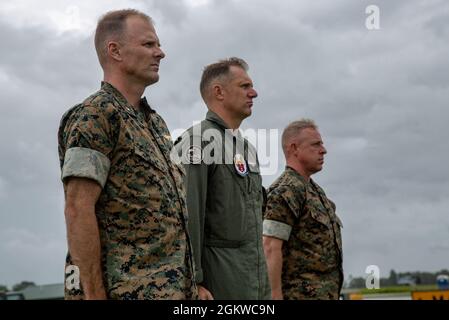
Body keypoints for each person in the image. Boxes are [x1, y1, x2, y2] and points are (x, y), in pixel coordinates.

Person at [58, 9, 197, 300]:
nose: (161, 53)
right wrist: (93, 294)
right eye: (149, 44)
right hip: (127, 289)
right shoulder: (95, 116)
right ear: (115, 51)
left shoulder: (154, 124)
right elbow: (77, 209)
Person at [174, 57, 271, 300]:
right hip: (218, 289)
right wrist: (194, 282)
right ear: (219, 92)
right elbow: (188, 216)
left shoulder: (246, 149)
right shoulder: (199, 141)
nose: (254, 93)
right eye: (244, 86)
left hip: (252, 286)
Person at [262, 119, 343, 300]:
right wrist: (274, 297)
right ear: (294, 149)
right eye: (316, 144)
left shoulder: (313, 190)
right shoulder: (286, 191)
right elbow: (270, 247)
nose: (324, 150)